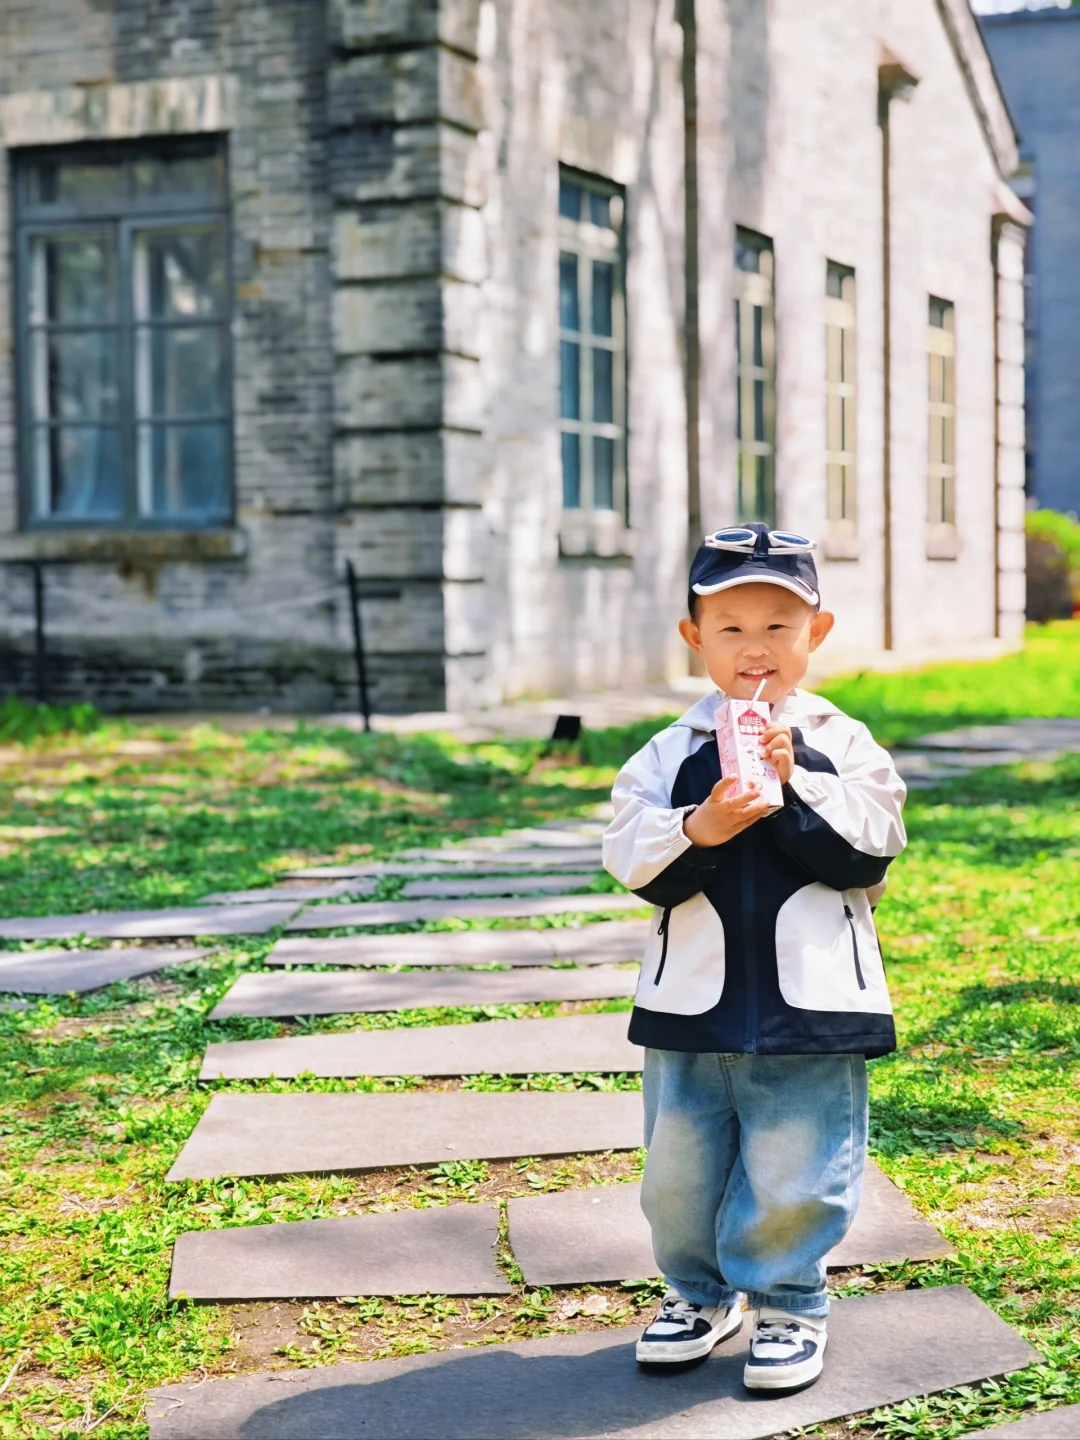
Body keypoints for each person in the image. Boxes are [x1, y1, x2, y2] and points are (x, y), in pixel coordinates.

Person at [602, 524, 906, 1393]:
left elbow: (876, 844)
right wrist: (701, 827)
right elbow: (630, 856)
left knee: (798, 1161)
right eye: (730, 627)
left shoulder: (842, 744)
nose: (756, 647)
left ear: (818, 632)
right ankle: (696, 1292)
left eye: (779, 626)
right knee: (680, 1163)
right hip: (691, 1002)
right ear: (694, 636)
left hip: (813, 1003)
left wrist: (798, 777)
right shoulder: (670, 753)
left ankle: (787, 1299)